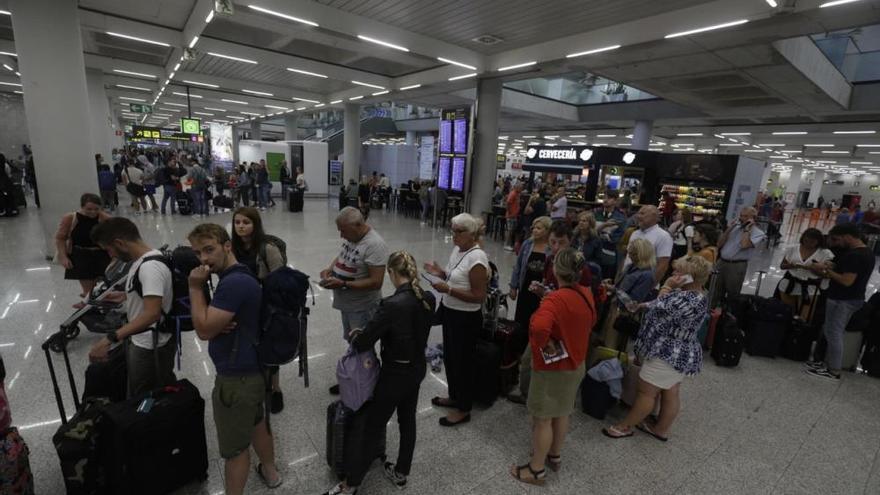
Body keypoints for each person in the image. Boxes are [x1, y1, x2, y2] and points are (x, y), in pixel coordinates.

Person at [322, 252, 436, 495]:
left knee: (371, 427)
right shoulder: (427, 298)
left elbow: (364, 342)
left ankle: (350, 484)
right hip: (416, 370)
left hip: (394, 374)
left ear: (392, 274)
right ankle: (401, 473)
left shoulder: (391, 305)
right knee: (408, 421)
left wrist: (356, 333)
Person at [186, 224, 282, 494]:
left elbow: (204, 330)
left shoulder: (234, 283)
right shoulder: (239, 274)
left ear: (227, 246)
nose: (203, 259)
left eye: (209, 249)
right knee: (257, 423)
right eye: (198, 253)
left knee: (235, 450)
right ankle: (271, 472)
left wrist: (195, 288)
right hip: (252, 370)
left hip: (236, 378)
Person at [602, 255, 712, 441]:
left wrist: (667, 286)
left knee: (647, 393)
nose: (673, 273)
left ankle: (624, 427)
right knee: (670, 390)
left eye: (678, 271)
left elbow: (663, 305)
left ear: (691, 276)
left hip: (666, 353)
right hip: (679, 353)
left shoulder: (687, 299)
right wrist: (642, 305)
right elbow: (662, 304)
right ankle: (660, 429)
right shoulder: (695, 294)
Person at [509, 248, 595, 486]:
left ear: (556, 269)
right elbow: (591, 320)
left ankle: (536, 469)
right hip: (576, 364)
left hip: (552, 371)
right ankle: (554, 455)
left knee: (542, 418)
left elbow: (538, 329)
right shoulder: (585, 293)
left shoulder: (554, 300)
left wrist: (544, 345)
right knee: (562, 411)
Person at [87, 217, 176, 398]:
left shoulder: (150, 267)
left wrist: (110, 338)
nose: (111, 255)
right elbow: (149, 296)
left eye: (109, 249)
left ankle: (150, 425)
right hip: (143, 340)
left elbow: (152, 313)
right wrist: (126, 296)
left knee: (145, 398)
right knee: (151, 390)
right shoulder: (142, 260)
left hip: (150, 345)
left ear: (120, 243)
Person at [508, 220, 595, 405]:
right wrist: (542, 290)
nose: (556, 247)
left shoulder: (581, 269)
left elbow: (580, 301)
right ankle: (527, 393)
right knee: (528, 361)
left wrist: (550, 296)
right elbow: (551, 287)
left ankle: (543, 398)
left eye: (561, 242)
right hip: (548, 320)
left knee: (550, 368)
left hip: (564, 328)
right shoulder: (549, 261)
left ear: (570, 241)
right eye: (553, 242)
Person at [424, 213, 489, 426]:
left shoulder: (477, 258)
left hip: (466, 318)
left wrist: (449, 289)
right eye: (452, 230)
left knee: (463, 363)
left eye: (459, 231)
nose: (454, 235)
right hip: (451, 312)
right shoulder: (458, 250)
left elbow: (479, 296)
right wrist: (441, 274)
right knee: (451, 358)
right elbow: (455, 278)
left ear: (472, 235)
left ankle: (464, 408)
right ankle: (454, 396)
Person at [319, 207, 389, 394]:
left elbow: (376, 282)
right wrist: (330, 269)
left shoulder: (374, 245)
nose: (342, 236)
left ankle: (366, 384)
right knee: (353, 342)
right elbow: (343, 254)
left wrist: (342, 283)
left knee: (362, 345)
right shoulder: (353, 238)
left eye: (344, 231)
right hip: (348, 304)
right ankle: (356, 378)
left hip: (362, 306)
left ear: (358, 225)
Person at [230, 207, 286, 412]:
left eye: (246, 222)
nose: (241, 226)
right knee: (248, 347)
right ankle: (257, 385)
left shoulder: (267, 248)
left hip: (265, 308)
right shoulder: (232, 249)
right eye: (237, 222)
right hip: (242, 309)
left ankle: (276, 388)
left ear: (255, 224)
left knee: (269, 349)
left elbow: (280, 280)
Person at [804, 223, 876, 380]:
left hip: (845, 299)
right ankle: (825, 364)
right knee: (830, 330)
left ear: (848, 236)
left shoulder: (856, 256)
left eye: (837, 239)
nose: (836, 243)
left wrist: (826, 271)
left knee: (834, 333)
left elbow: (846, 280)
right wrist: (830, 265)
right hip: (845, 298)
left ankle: (834, 370)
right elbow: (843, 268)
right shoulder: (864, 252)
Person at [509, 216, 553, 366]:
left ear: (547, 231)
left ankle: (532, 351)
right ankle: (518, 352)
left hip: (541, 293)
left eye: (539, 228)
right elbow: (519, 265)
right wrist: (513, 286)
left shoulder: (551, 248)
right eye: (534, 227)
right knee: (521, 320)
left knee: (536, 322)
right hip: (525, 288)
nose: (534, 230)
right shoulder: (527, 244)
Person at [55, 193, 112, 305]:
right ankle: (88, 305)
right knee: (88, 290)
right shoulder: (71, 218)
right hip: (80, 255)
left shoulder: (105, 218)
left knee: (103, 287)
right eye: (89, 209)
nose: (93, 212)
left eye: (96, 209)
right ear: (82, 207)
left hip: (101, 255)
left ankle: (94, 304)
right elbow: (60, 238)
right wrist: (63, 256)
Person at [601, 238, 657, 349]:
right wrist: (612, 287)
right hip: (614, 308)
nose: (629, 255)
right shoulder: (630, 267)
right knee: (604, 341)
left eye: (632, 253)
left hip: (624, 315)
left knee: (612, 345)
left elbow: (633, 302)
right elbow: (620, 288)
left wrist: (615, 290)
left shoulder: (647, 275)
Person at [777, 228, 834, 320]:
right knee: (787, 314)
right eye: (806, 240)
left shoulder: (825, 253)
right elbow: (782, 266)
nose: (808, 243)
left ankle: (799, 333)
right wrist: (792, 266)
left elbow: (827, 275)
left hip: (810, 287)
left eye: (812, 242)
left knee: (804, 318)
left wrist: (813, 269)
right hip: (789, 283)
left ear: (818, 241)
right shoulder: (793, 248)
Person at [716, 207, 766, 302]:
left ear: (753, 218)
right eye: (741, 216)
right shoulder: (735, 228)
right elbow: (719, 244)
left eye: (746, 216)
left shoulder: (758, 233)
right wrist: (729, 228)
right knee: (716, 291)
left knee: (732, 294)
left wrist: (747, 229)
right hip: (721, 262)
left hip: (736, 266)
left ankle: (728, 314)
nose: (742, 218)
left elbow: (744, 245)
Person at [625, 205, 673, 285]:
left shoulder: (663, 236)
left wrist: (649, 285)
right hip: (627, 280)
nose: (638, 216)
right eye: (638, 213)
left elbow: (663, 265)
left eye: (642, 213)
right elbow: (627, 258)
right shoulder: (635, 233)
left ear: (654, 216)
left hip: (644, 284)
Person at [595, 196, 627, 279]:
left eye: (609, 198)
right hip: (594, 252)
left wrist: (598, 231)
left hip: (609, 255)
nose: (605, 199)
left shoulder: (620, 218)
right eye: (604, 197)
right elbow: (589, 232)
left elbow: (615, 238)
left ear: (615, 202)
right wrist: (604, 227)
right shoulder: (596, 213)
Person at [504, 183, 523, 251]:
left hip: (514, 215)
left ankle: (509, 243)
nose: (522, 189)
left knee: (512, 230)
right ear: (517, 187)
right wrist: (510, 212)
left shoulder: (518, 194)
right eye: (521, 188)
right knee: (509, 230)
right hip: (511, 215)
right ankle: (506, 244)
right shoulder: (513, 194)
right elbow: (508, 203)